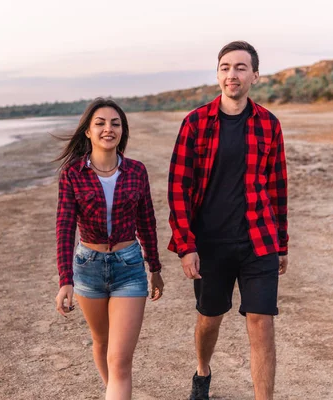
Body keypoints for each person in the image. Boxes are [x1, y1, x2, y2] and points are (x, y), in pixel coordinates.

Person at [167, 41, 289, 400]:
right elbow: (178, 189)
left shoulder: (269, 124)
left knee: (261, 323)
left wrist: (281, 244)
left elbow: (278, 188)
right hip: (210, 244)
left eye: (239, 67)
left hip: (259, 240)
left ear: (254, 75)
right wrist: (186, 247)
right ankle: (203, 371)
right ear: (218, 74)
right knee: (209, 318)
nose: (231, 74)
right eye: (225, 67)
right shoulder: (195, 123)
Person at [54, 98, 164, 400]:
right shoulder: (72, 174)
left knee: (120, 360)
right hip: (87, 266)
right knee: (101, 341)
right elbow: (64, 226)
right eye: (100, 123)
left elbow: (147, 222)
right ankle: (114, 390)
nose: (108, 129)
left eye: (115, 123)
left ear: (122, 130)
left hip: (129, 267)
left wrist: (154, 268)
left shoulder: (136, 172)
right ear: (88, 132)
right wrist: (65, 280)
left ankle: (116, 388)